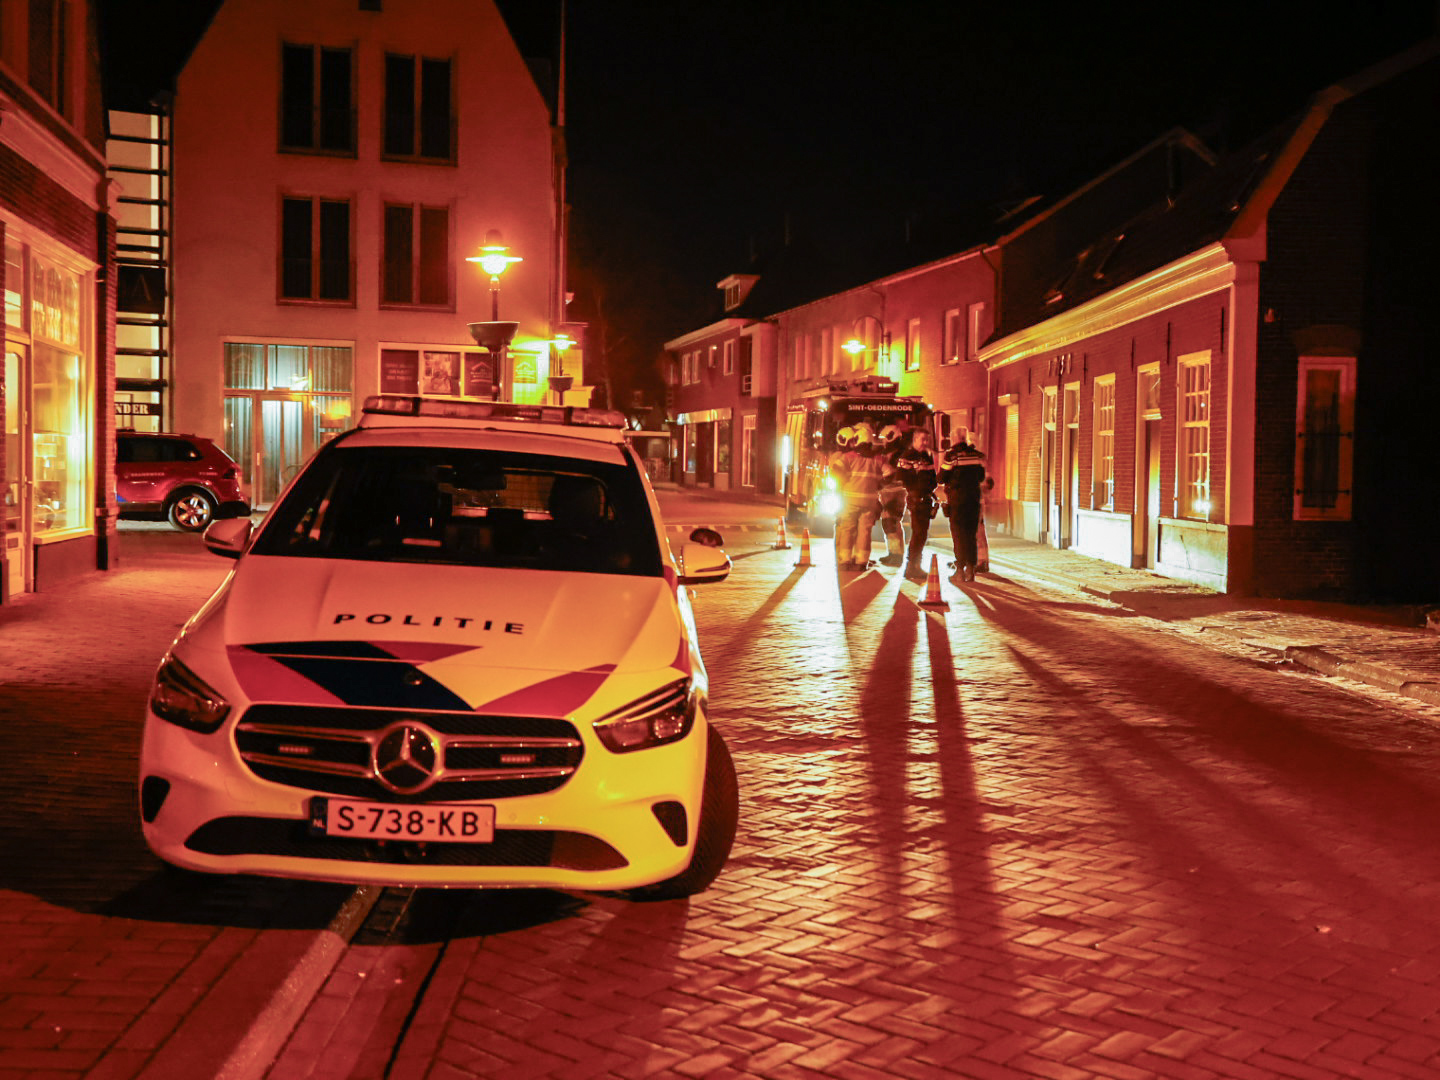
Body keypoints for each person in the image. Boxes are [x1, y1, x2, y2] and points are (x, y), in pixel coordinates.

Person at [831, 422, 885, 570]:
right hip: (869, 502)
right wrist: (877, 485)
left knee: (847, 528)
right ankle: (861, 562)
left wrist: (843, 482)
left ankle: (845, 560)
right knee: (865, 532)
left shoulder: (849, 457)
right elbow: (889, 474)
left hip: (849, 500)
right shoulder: (877, 459)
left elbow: (835, 471)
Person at [938, 431, 987, 582]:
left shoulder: (951, 456)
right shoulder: (977, 455)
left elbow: (941, 477)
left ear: (954, 439)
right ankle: (971, 570)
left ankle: (959, 570)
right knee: (971, 535)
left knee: (958, 535)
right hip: (973, 499)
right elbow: (981, 477)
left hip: (957, 501)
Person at [891, 428, 939, 580]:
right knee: (918, 533)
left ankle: (916, 565)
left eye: (927, 440)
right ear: (915, 440)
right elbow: (901, 477)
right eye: (922, 439)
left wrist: (930, 490)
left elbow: (932, 478)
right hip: (916, 498)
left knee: (923, 534)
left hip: (925, 498)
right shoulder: (908, 456)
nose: (925, 443)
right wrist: (916, 487)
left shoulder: (926, 456)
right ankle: (911, 566)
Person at [875, 424, 909, 566]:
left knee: (891, 523)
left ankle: (896, 556)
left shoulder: (899, 454)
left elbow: (892, 474)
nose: (883, 442)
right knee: (891, 523)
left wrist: (880, 484)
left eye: (885, 438)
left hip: (895, 493)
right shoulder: (895, 452)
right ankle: (894, 554)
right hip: (890, 493)